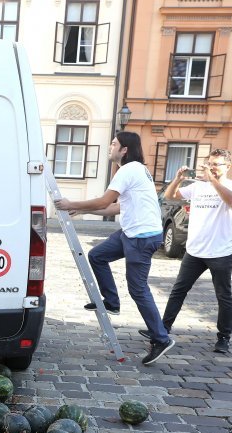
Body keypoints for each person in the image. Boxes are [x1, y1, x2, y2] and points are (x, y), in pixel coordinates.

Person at [55, 131, 175, 366]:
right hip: (131, 233)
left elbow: (104, 201)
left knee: (138, 289)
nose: (110, 147)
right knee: (97, 255)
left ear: (124, 150)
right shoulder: (136, 170)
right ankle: (111, 301)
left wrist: (72, 203)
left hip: (141, 237)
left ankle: (161, 338)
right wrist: (83, 210)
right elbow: (116, 209)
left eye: (113, 144)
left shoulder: (129, 170)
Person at [142, 149, 232, 353]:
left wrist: (213, 180)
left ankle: (223, 338)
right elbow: (170, 196)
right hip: (195, 251)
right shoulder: (198, 186)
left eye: (217, 164)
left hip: (220, 252)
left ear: (228, 166)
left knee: (223, 296)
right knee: (178, 291)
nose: (212, 167)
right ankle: (162, 330)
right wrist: (178, 179)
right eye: (210, 163)